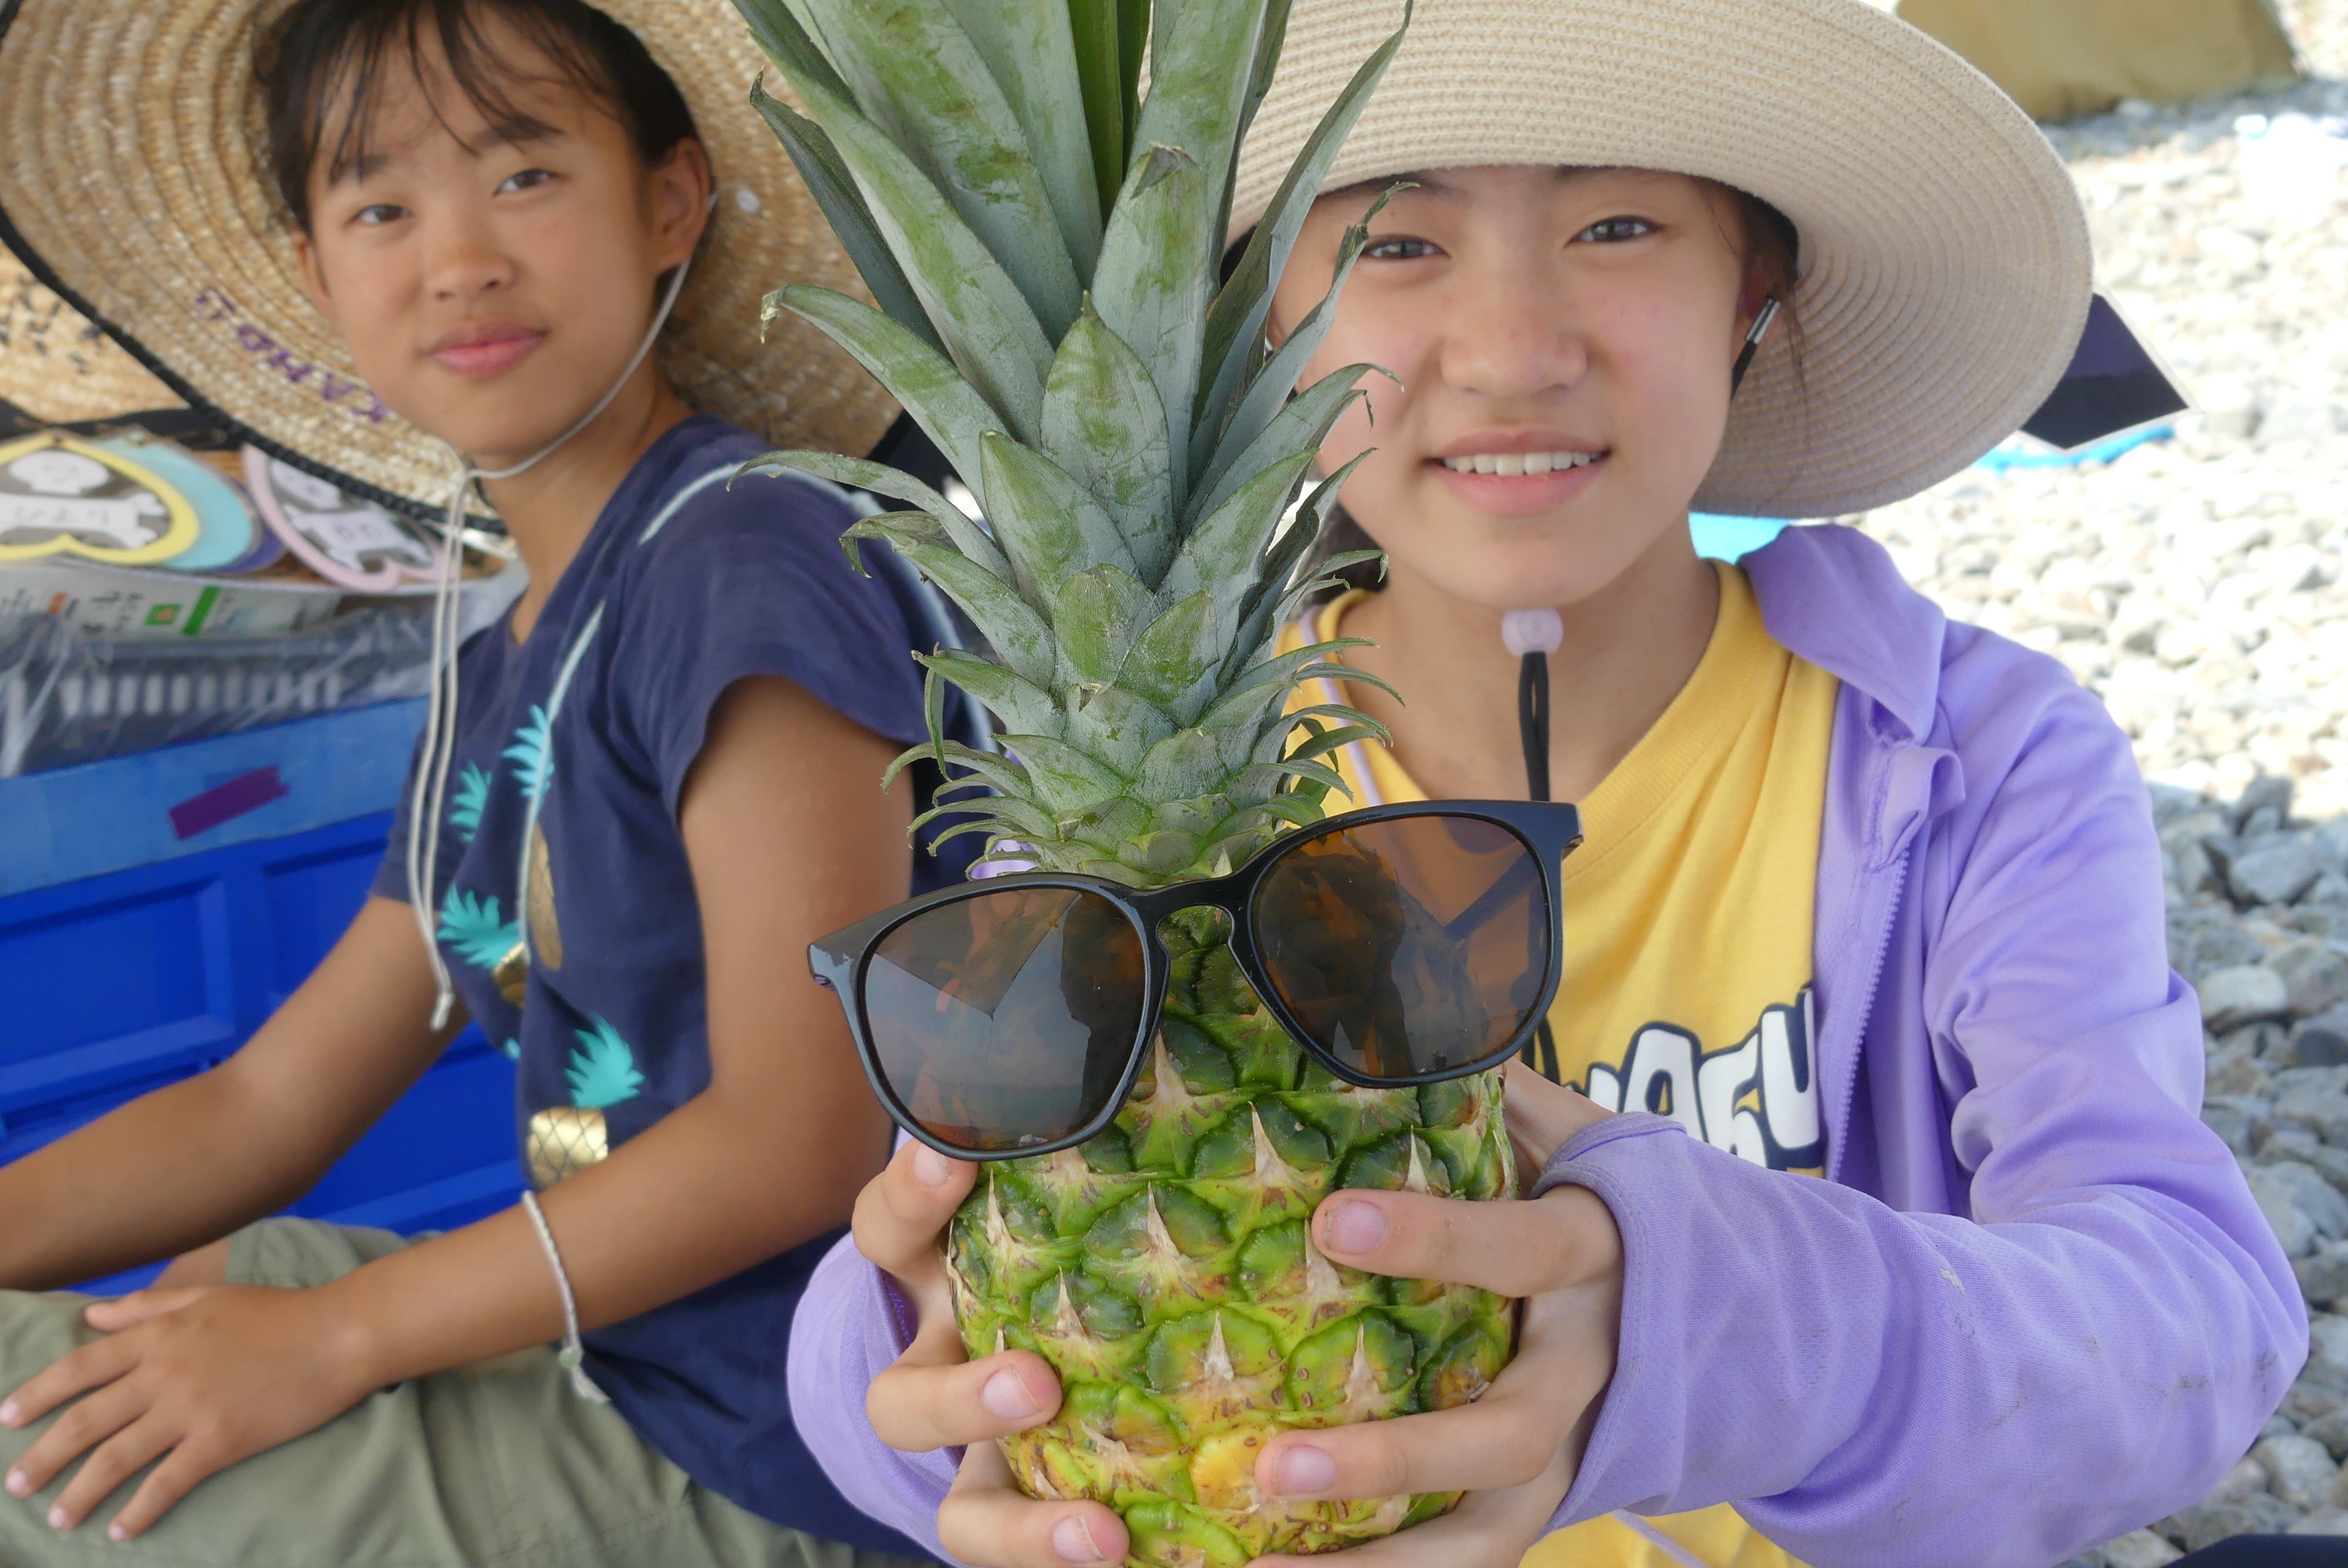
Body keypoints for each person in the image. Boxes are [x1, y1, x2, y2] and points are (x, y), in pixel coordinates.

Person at [777, 1, 2307, 1565]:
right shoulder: (1118, 865)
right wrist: (915, 1352)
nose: (1512, 354)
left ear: (1755, 291)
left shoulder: (1980, 760)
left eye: (1618, 225)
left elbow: (2193, 1317)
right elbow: (885, 1374)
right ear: (1252, 328)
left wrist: (1705, 1320)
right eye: (1394, 243)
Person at [0, 0, 968, 1562]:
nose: (457, 259)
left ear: (671, 202)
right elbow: (267, 1103)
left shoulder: (741, 555)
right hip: (624, 1356)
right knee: (188, 1299)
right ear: (318, 273)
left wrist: (336, 1339)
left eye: (524, 176)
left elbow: (802, 1137)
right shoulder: (502, 658)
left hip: (782, 1443)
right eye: (381, 207)